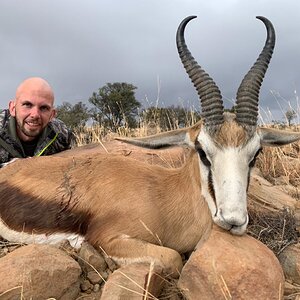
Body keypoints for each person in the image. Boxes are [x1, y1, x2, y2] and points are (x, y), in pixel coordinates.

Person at [0, 77, 73, 166]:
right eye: (27, 105)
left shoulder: (61, 135)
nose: (35, 115)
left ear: (52, 115)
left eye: (44, 108)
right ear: (12, 108)